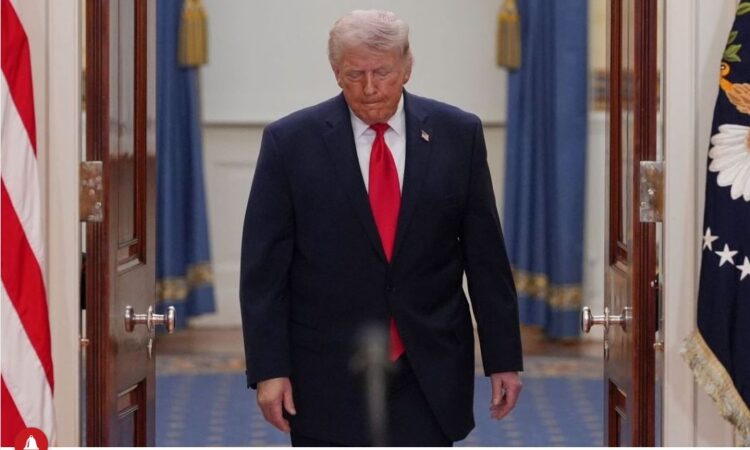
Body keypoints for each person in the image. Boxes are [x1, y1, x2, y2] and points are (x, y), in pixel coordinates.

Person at [240, 9, 523, 447]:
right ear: (336, 72)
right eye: (355, 74)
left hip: (428, 359)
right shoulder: (290, 142)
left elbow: (485, 257)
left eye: (383, 72)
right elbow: (264, 272)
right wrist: (268, 369)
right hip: (326, 365)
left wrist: (503, 358)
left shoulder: (458, 134)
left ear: (407, 66)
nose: (370, 88)